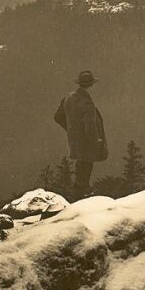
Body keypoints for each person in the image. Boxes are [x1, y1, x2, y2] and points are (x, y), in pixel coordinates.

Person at [54, 70, 108, 199]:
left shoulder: (68, 97)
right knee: (85, 168)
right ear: (91, 85)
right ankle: (82, 197)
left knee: (80, 168)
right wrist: (97, 141)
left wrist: (71, 130)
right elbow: (90, 127)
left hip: (75, 143)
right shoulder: (87, 103)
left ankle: (79, 195)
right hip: (87, 144)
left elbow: (58, 117)